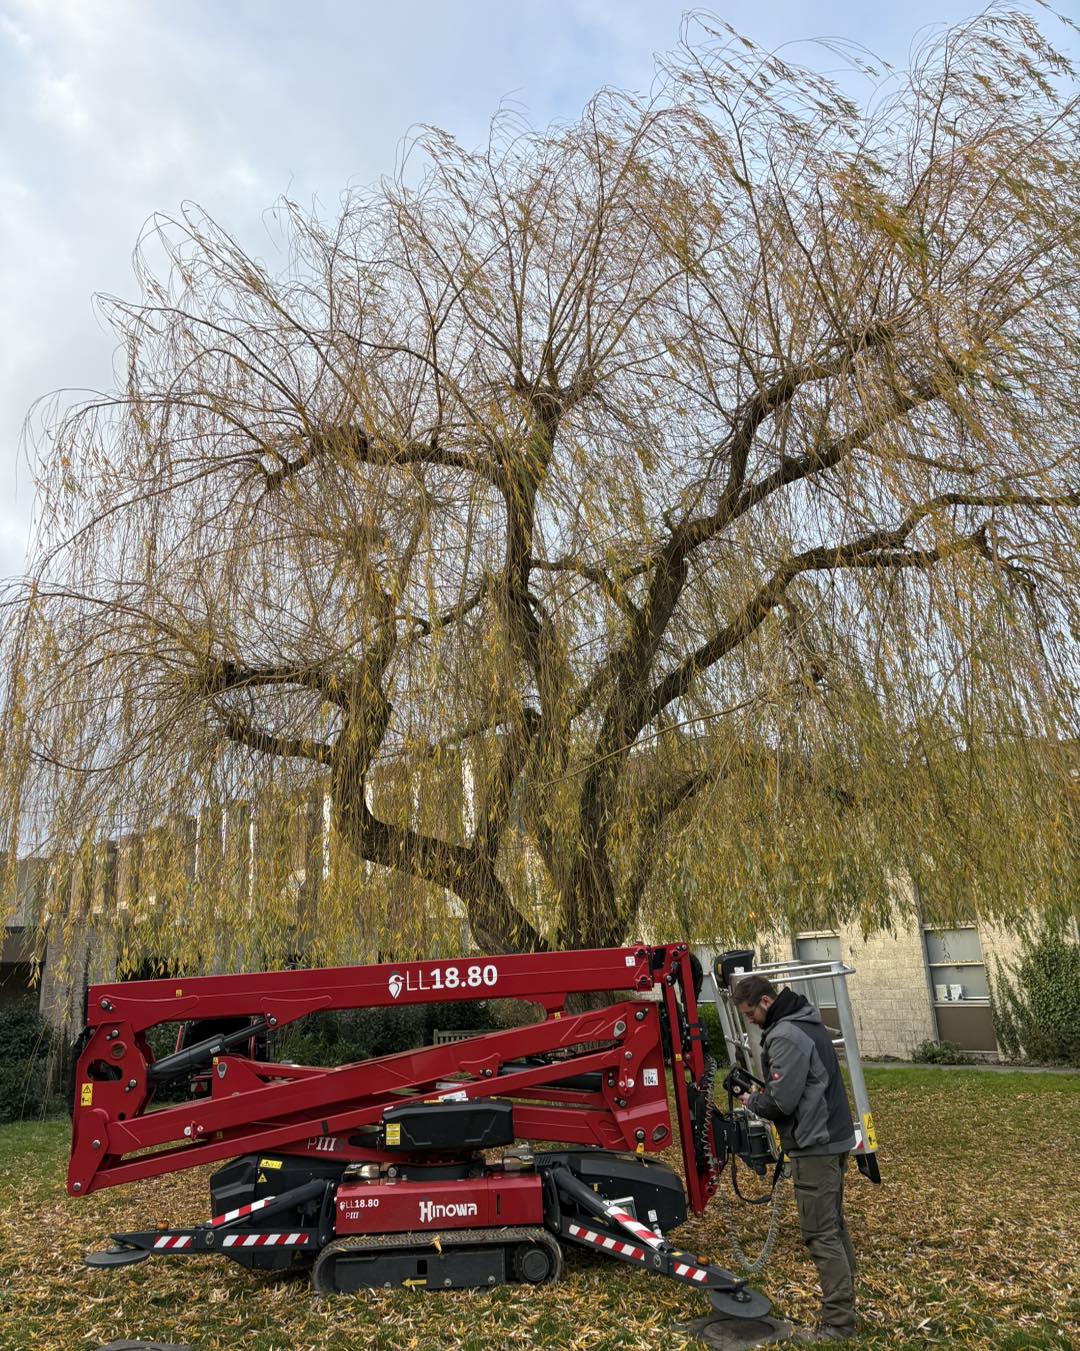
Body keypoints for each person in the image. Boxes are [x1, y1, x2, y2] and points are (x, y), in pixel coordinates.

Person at [732, 973, 857, 1343]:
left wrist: (751, 1101)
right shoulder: (809, 1023)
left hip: (814, 1144)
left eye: (750, 1012)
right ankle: (846, 1308)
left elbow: (781, 1101)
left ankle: (838, 1324)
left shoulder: (786, 1035)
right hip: (833, 1138)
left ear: (767, 1002)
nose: (749, 1020)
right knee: (834, 1226)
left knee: (820, 1234)